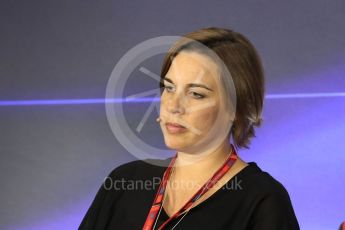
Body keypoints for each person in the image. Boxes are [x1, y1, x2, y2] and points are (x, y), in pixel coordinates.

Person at [79, 27, 300, 229]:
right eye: (169, 87)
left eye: (196, 94)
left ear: (237, 107)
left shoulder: (263, 201)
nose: (173, 106)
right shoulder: (124, 182)